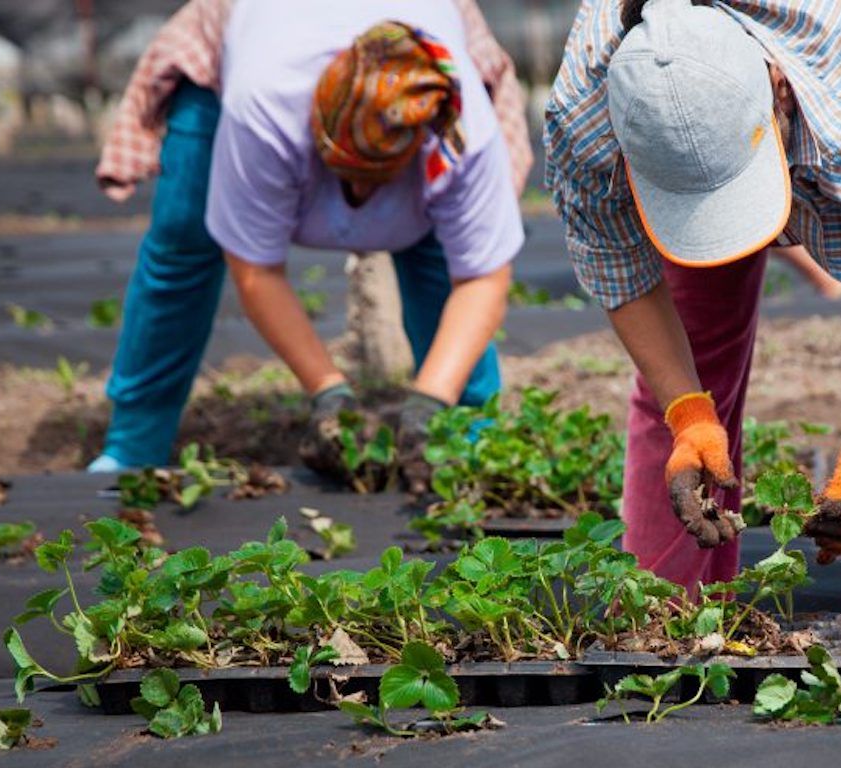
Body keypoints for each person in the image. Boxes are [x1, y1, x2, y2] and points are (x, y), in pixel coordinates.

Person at [545, 0, 841, 612]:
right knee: (685, 368)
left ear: (777, 90)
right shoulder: (584, 118)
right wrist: (688, 413)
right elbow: (621, 274)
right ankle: (663, 614)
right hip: (715, 118)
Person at [88, 0, 530, 487]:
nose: (361, 197)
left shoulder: (461, 125)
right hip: (250, 32)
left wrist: (431, 399)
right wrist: (328, 390)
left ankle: (465, 440)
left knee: (440, 251)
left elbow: (482, 275)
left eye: (377, 180)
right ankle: (133, 445)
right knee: (185, 237)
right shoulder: (263, 105)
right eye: (352, 176)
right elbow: (255, 269)